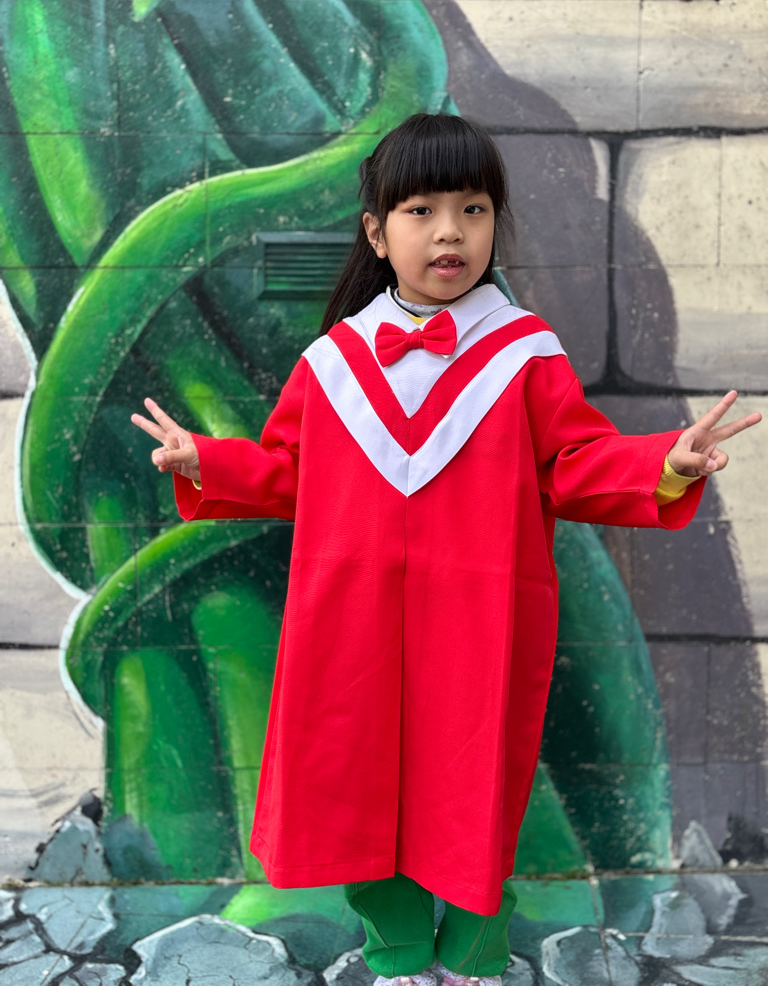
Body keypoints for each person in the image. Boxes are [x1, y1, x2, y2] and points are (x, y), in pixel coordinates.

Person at [131, 114, 761, 986]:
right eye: (421, 211)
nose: (450, 233)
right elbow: (289, 470)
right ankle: (393, 943)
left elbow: (574, 462)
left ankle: (472, 946)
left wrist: (664, 462)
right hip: (353, 621)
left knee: (470, 783)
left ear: (496, 223)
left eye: (473, 209)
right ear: (376, 233)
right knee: (358, 780)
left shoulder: (523, 356)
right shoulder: (336, 363)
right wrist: (207, 461)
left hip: (479, 619)